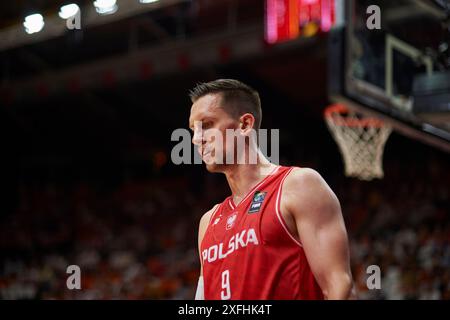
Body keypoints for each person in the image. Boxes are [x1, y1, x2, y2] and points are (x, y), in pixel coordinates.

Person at [188, 79, 355, 300]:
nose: (197, 138)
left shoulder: (298, 185)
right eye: (193, 129)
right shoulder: (208, 222)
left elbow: (339, 286)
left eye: (207, 124)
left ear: (245, 125)